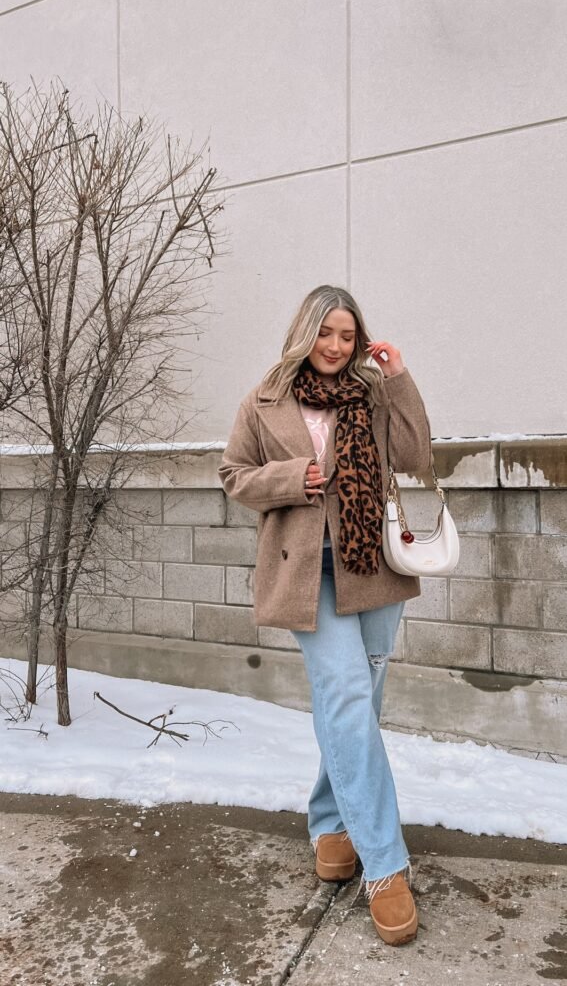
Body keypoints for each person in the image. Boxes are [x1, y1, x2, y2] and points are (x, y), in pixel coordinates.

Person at [218, 285, 432, 946]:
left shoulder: (373, 393)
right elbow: (233, 474)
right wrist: (291, 478)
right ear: (304, 331)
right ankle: (384, 865)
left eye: (347, 334)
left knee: (358, 705)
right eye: (326, 332)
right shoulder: (263, 400)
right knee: (345, 699)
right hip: (306, 572)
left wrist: (398, 379)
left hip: (373, 569)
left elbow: (415, 458)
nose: (336, 346)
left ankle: (329, 822)